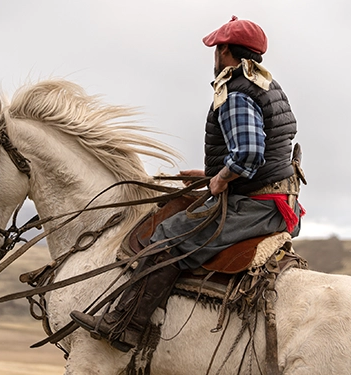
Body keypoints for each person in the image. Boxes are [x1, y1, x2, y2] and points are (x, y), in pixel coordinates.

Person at [71, 15, 305, 352]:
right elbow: (264, 151)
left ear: (225, 51)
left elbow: (250, 155)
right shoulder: (266, 85)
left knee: (169, 236)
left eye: (216, 49)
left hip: (255, 205)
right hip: (275, 199)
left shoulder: (236, 91)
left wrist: (222, 179)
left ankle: (126, 327)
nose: (214, 56)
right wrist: (211, 175)